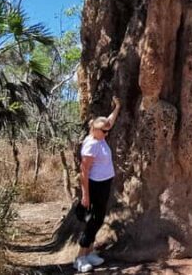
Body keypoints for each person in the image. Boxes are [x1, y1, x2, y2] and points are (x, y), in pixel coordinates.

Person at [73, 96, 121, 273]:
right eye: (105, 132)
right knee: (93, 220)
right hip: (95, 186)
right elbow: (83, 172)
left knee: (99, 218)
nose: (108, 134)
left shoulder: (100, 136)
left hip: (104, 183)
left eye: (108, 131)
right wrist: (85, 195)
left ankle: (90, 252)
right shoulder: (91, 145)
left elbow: (109, 121)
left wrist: (117, 107)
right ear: (95, 130)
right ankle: (80, 257)